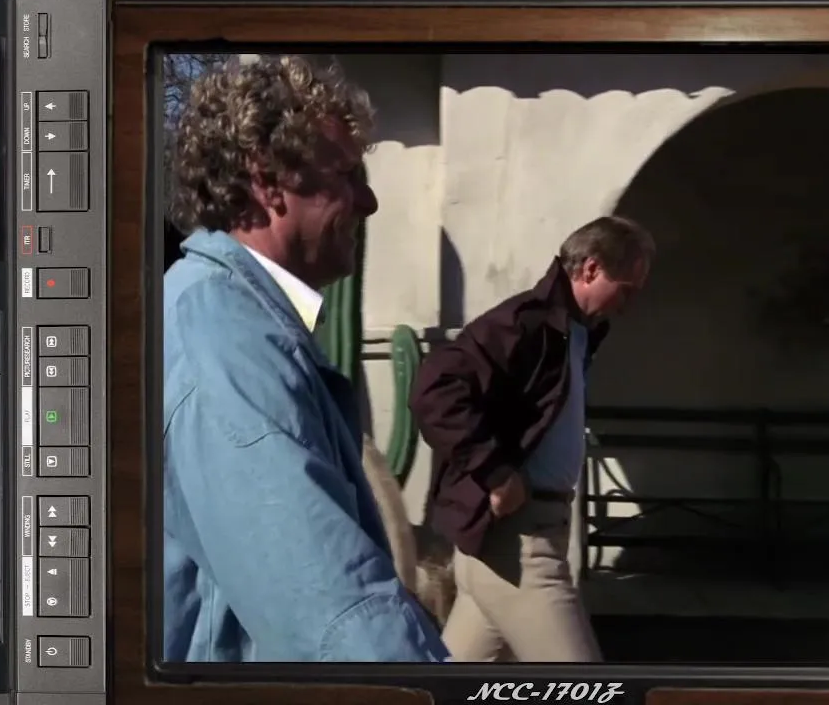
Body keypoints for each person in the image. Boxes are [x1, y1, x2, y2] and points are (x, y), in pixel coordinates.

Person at [162, 55, 449, 663]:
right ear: (268, 182)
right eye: (345, 174)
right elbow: (331, 608)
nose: (368, 201)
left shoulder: (237, 318)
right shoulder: (226, 339)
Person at [410, 216, 655, 662]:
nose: (629, 304)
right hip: (520, 550)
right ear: (591, 269)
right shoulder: (526, 323)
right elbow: (435, 389)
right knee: (585, 690)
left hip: (521, 545)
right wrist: (495, 472)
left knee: (450, 687)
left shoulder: (575, 333)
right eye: (626, 289)